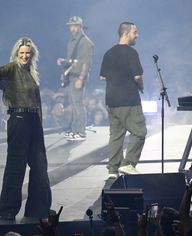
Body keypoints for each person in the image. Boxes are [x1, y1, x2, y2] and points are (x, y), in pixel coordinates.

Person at [0, 37, 52, 220]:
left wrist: (39, 121)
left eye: (27, 53)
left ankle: (38, 209)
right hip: (18, 119)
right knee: (16, 166)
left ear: (32, 54)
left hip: (33, 121)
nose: (24, 56)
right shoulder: (11, 69)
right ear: (17, 54)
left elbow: (37, 101)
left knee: (40, 165)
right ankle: (8, 210)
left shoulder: (32, 73)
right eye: (22, 53)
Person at [100, 22, 147, 179]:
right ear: (126, 33)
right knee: (140, 132)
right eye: (135, 32)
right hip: (129, 100)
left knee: (116, 135)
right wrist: (141, 87)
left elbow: (102, 76)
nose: (137, 35)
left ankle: (113, 169)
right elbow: (137, 76)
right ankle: (128, 164)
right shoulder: (131, 53)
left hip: (112, 101)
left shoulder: (108, 53)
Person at [57, 16, 94, 141]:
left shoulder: (85, 42)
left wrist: (81, 78)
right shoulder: (72, 41)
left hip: (79, 76)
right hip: (72, 75)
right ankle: (74, 129)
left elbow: (86, 63)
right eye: (71, 26)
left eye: (75, 26)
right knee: (73, 104)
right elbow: (75, 60)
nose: (72, 28)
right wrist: (64, 61)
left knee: (78, 104)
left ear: (80, 26)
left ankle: (81, 132)